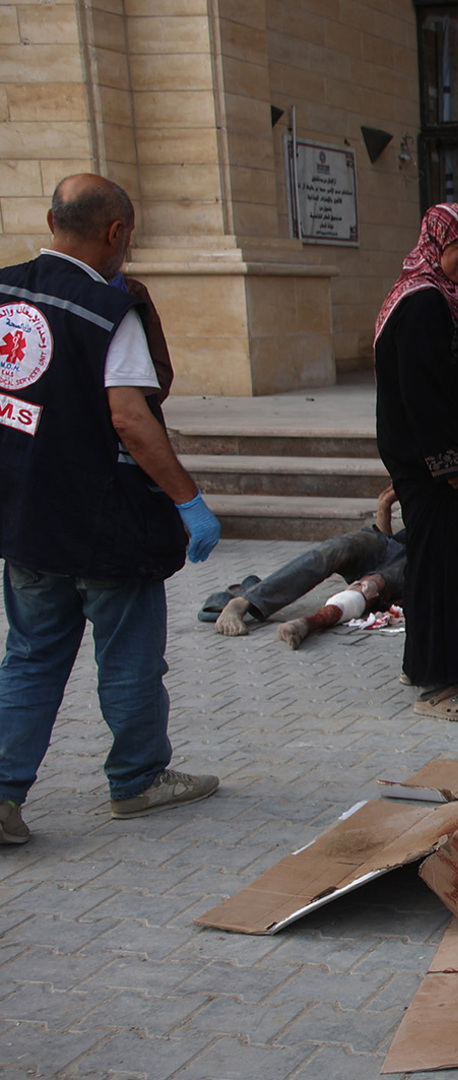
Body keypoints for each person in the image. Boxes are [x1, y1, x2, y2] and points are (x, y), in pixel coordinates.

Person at [0, 173, 223, 844]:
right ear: (116, 232)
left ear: (51, 221)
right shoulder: (108, 309)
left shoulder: (4, 290)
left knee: (30, 657)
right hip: (104, 522)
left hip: (25, 519)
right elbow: (130, 417)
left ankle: (3, 794)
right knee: (129, 658)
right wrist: (189, 499)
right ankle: (138, 779)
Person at [375, 203, 458, 723]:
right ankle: (437, 684)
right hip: (436, 467)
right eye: (456, 242)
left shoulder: (451, 299)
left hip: (450, 462)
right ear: (433, 246)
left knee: (455, 560)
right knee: (440, 565)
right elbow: (420, 393)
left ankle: (446, 663)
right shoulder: (423, 301)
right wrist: (450, 462)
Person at [206, 488, 458, 648]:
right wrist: (385, 505)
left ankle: (309, 623)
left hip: (414, 565)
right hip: (387, 546)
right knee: (334, 550)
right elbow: (386, 538)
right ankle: (246, 602)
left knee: (377, 582)